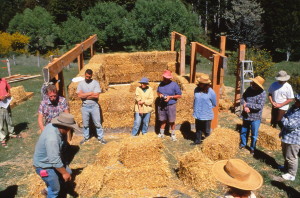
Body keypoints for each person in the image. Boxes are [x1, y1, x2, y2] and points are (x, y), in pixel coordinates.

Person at [33, 112, 81, 198]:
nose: (69, 130)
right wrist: (64, 173)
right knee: (55, 189)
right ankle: (51, 190)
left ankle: (49, 188)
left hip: (50, 162)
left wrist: (66, 172)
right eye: (69, 128)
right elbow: (54, 160)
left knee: (68, 171)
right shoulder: (53, 139)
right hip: (44, 166)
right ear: (64, 127)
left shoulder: (52, 126)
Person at [76, 69, 107, 144]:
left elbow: (96, 96)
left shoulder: (95, 83)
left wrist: (84, 95)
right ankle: (86, 138)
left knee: (97, 123)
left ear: (91, 76)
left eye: (89, 77)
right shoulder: (81, 84)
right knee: (85, 124)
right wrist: (90, 93)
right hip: (85, 106)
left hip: (94, 106)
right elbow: (79, 95)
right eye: (86, 77)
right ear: (84, 75)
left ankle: (100, 138)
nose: (88, 78)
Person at [240, 76, 266, 155]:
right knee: (244, 131)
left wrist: (248, 106)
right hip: (246, 115)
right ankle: (243, 144)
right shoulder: (248, 89)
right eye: (253, 83)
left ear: (258, 85)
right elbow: (243, 98)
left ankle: (252, 148)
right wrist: (244, 105)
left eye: (255, 84)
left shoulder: (262, 93)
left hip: (255, 117)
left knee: (254, 134)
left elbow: (259, 106)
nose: (253, 85)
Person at [191, 74, 216, 145]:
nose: (200, 84)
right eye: (200, 83)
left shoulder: (211, 92)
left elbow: (214, 103)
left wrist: (206, 108)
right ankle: (197, 141)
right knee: (198, 128)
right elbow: (195, 100)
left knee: (207, 130)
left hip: (206, 114)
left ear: (206, 85)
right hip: (198, 113)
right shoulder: (196, 90)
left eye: (201, 84)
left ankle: (208, 143)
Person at [279, 93, 300, 181]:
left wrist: (284, 118)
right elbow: (285, 117)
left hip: (294, 139)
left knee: (291, 157)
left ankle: (292, 174)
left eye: (298, 100)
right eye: (296, 99)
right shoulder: (293, 108)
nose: (296, 101)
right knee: (286, 154)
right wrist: (285, 119)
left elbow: (290, 125)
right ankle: (286, 168)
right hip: (286, 136)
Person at [157, 70, 182, 141]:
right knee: (162, 120)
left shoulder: (174, 85)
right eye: (164, 77)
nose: (164, 79)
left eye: (166, 78)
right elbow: (158, 92)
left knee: (171, 120)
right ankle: (162, 133)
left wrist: (171, 97)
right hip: (162, 104)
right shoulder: (161, 84)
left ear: (169, 78)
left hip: (171, 105)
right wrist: (160, 95)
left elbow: (179, 95)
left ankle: (173, 134)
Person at [0, 77, 19, 148]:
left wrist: (8, 94)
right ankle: (2, 138)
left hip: (6, 103)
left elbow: (9, 89)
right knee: (1, 122)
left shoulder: (3, 80)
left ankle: (11, 133)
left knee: (9, 118)